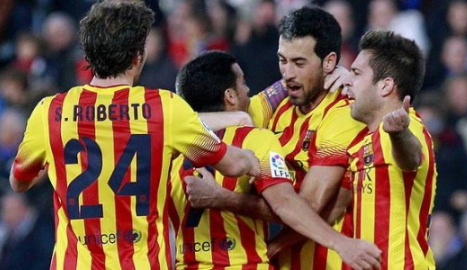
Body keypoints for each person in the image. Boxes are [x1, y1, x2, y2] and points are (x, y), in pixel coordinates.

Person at [8, 1, 260, 269]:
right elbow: (232, 165)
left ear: (89, 57)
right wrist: (253, 158)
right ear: (138, 57)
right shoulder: (164, 108)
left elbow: (18, 181)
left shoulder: (50, 112)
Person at [186, 6, 382, 270]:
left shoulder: (342, 114)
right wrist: (238, 119)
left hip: (327, 262)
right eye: (283, 60)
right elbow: (196, 117)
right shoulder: (280, 105)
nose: (287, 73)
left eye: (299, 63)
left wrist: (223, 198)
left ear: (328, 61)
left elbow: (309, 205)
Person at [341, 30, 437, 269]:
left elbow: (411, 158)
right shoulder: (361, 142)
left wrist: (399, 134)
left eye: (356, 73)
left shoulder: (409, 125)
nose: (347, 80)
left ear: (385, 86)